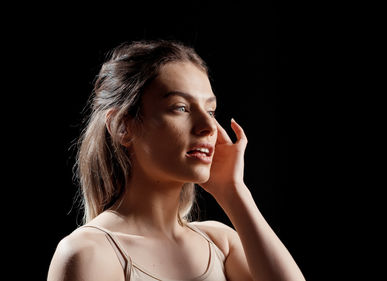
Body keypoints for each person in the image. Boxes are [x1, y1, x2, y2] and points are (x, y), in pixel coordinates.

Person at [47, 40, 305, 281]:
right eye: (181, 107)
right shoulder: (89, 252)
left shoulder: (220, 243)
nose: (208, 127)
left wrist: (233, 191)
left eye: (211, 110)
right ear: (122, 126)